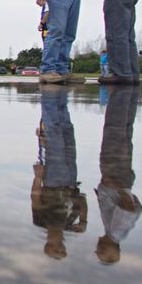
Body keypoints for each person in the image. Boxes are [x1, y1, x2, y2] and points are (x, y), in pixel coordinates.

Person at [31, 88, 87, 259]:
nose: (62, 248)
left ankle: (50, 96)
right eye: (62, 250)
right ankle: (61, 98)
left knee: (54, 136)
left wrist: (38, 177)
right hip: (71, 181)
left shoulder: (41, 222)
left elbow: (35, 199)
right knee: (67, 133)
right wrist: (83, 220)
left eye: (58, 250)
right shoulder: (69, 223)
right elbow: (82, 199)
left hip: (53, 182)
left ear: (49, 245)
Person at [95, 85, 142, 264]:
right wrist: (118, 188)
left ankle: (124, 96)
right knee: (116, 132)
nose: (96, 247)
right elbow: (130, 210)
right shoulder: (116, 232)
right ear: (106, 248)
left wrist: (118, 189)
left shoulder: (115, 232)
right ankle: (122, 96)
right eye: (99, 251)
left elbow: (135, 209)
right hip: (115, 176)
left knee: (120, 133)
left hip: (117, 178)